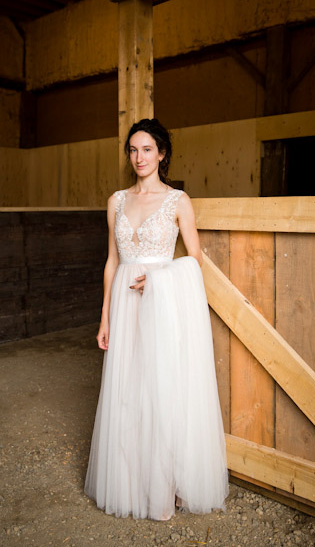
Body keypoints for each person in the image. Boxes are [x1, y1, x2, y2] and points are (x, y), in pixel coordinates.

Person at [84, 118, 227, 520]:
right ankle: (134, 483)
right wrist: (104, 317)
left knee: (162, 389)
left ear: (161, 153)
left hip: (161, 301)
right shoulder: (115, 201)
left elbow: (194, 259)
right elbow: (112, 262)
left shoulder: (178, 201)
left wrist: (161, 280)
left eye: (147, 149)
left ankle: (167, 485)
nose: (138, 157)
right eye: (132, 150)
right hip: (125, 305)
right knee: (128, 391)